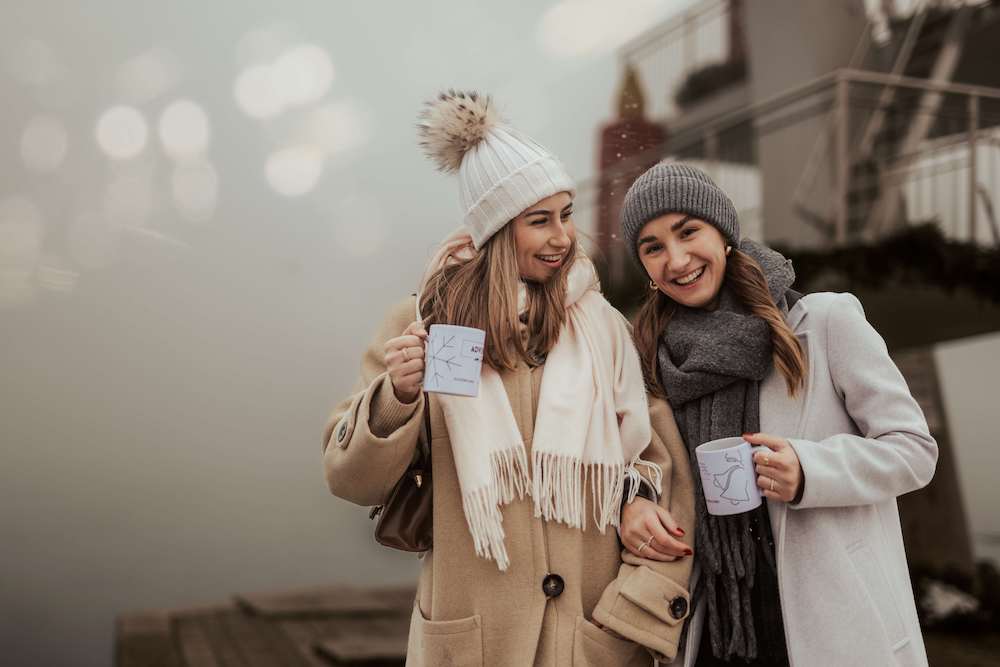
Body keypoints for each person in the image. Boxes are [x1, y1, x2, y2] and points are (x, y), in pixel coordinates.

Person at [322, 91, 695, 666]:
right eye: (539, 221)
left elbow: (661, 466)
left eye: (567, 214)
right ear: (497, 230)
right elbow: (351, 482)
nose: (563, 238)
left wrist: (636, 610)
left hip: (591, 642)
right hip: (475, 643)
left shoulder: (603, 326)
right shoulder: (425, 323)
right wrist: (397, 395)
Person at [617, 162, 938, 666]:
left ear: (722, 233)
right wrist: (631, 503)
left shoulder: (823, 323)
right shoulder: (648, 358)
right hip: (710, 628)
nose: (676, 260)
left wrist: (810, 470)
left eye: (688, 231)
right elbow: (634, 458)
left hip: (830, 623)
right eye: (652, 247)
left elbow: (914, 450)